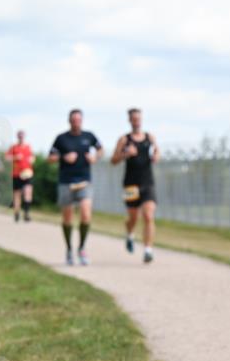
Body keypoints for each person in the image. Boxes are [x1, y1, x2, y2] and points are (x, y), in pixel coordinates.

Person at [48, 110, 102, 265]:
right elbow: (50, 157)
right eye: (74, 120)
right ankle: (69, 249)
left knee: (86, 214)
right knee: (67, 218)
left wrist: (95, 157)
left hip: (85, 181)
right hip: (66, 182)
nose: (76, 122)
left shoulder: (89, 136)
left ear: (82, 121)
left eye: (79, 120)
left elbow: (100, 149)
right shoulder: (61, 138)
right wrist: (63, 157)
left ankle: (82, 247)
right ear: (69, 121)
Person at [111, 108, 160, 263]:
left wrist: (156, 155)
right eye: (134, 119)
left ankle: (148, 250)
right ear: (130, 120)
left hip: (147, 182)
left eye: (139, 118)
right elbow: (113, 160)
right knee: (133, 217)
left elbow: (157, 151)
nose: (137, 121)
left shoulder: (149, 137)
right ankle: (130, 234)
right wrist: (126, 154)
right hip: (130, 184)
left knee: (148, 215)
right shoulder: (124, 140)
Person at [6, 130, 35, 222]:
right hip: (16, 174)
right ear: (17, 137)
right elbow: (7, 158)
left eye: (22, 136)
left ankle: (26, 213)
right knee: (17, 195)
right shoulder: (13, 147)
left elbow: (33, 157)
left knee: (28, 192)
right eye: (19, 136)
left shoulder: (28, 147)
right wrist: (15, 157)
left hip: (27, 173)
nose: (21, 137)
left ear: (24, 137)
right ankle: (16, 213)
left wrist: (32, 159)